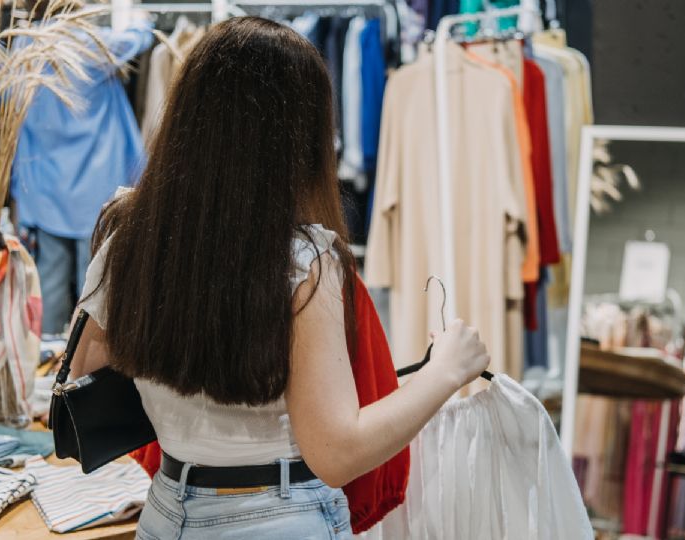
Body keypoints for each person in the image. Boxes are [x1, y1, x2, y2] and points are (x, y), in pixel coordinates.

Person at [69, 17, 491, 538]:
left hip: (167, 512)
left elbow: (86, 370)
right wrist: (446, 370)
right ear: (301, 136)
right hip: (276, 516)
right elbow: (336, 452)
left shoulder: (127, 241)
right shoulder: (302, 260)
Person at [11, 1, 155, 335]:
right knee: (98, 297)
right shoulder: (93, 45)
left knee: (48, 290)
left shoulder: (25, 45)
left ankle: (47, 373)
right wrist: (136, 17)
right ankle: (87, 379)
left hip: (45, 191)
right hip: (97, 191)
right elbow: (139, 37)